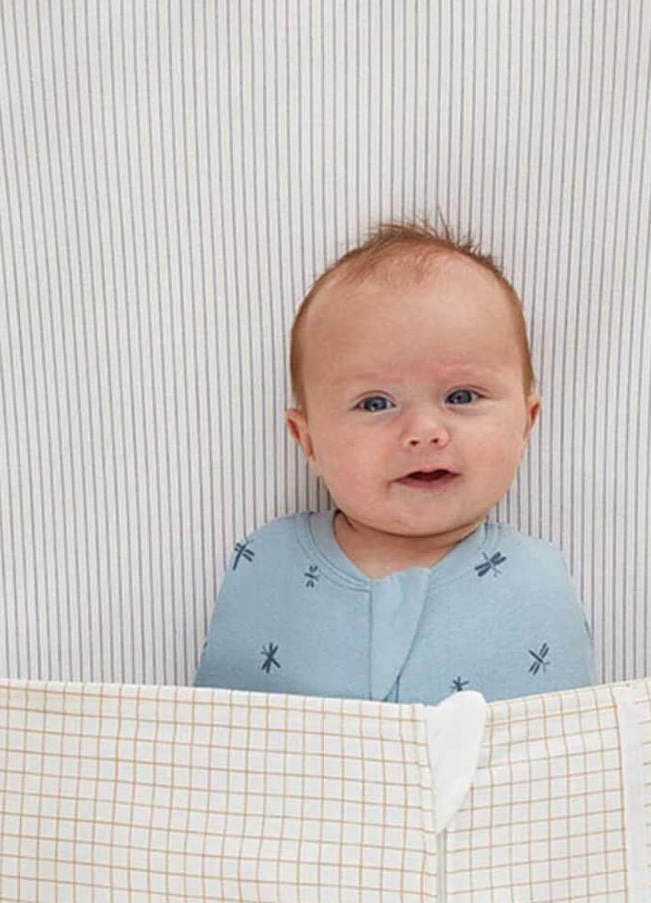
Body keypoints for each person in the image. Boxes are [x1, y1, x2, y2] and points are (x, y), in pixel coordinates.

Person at [193, 218, 597, 703]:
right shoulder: (266, 567)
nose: (424, 432)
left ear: (526, 422)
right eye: (376, 404)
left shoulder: (536, 585)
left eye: (462, 396)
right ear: (309, 441)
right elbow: (212, 748)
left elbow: (572, 758)